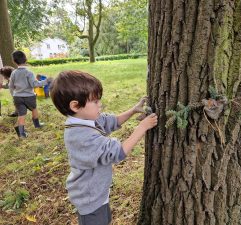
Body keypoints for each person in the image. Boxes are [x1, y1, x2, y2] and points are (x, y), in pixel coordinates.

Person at [50, 70, 158, 225]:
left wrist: (133, 110)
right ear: (75, 106)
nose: (100, 104)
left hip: (98, 194)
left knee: (105, 219)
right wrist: (142, 127)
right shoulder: (80, 137)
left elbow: (111, 121)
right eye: (95, 101)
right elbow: (117, 153)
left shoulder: (85, 119)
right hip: (90, 199)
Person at [9, 50, 49, 138]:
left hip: (17, 97)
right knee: (34, 109)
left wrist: (14, 95)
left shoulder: (13, 73)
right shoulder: (29, 72)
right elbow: (34, 84)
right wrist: (46, 81)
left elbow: (10, 86)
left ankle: (22, 133)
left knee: (21, 114)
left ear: (14, 61)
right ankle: (37, 124)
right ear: (25, 59)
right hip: (29, 96)